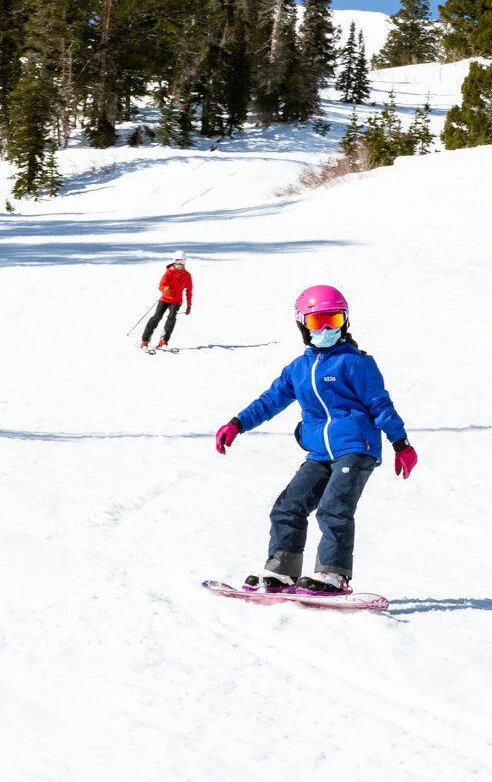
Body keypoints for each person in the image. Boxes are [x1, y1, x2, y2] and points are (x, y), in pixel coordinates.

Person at [212, 284, 416, 595]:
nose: (324, 329)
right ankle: (282, 572)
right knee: (288, 507)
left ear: (345, 322)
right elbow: (270, 400)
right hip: (319, 453)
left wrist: (401, 444)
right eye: (316, 322)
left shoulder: (354, 362)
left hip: (356, 448)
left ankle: (332, 575)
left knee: (334, 508)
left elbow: (380, 404)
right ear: (302, 325)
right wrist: (237, 424)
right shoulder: (299, 368)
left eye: (332, 321)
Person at [140, 251, 192, 349]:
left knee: (171, 319)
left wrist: (189, 305)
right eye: (178, 261)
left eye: (182, 261)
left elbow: (189, 291)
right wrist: (165, 289)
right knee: (156, 318)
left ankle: (163, 341)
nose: (180, 264)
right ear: (174, 261)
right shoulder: (169, 273)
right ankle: (145, 341)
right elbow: (161, 286)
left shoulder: (187, 276)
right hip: (165, 298)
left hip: (176, 301)